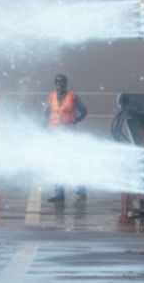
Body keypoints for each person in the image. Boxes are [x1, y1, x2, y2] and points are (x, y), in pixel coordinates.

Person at [43, 73, 87, 204]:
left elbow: (84, 111)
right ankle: (59, 193)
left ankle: (81, 188)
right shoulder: (51, 97)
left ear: (65, 84)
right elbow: (47, 113)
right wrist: (45, 128)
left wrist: (76, 120)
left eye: (61, 83)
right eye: (57, 83)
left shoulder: (73, 97)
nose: (59, 85)